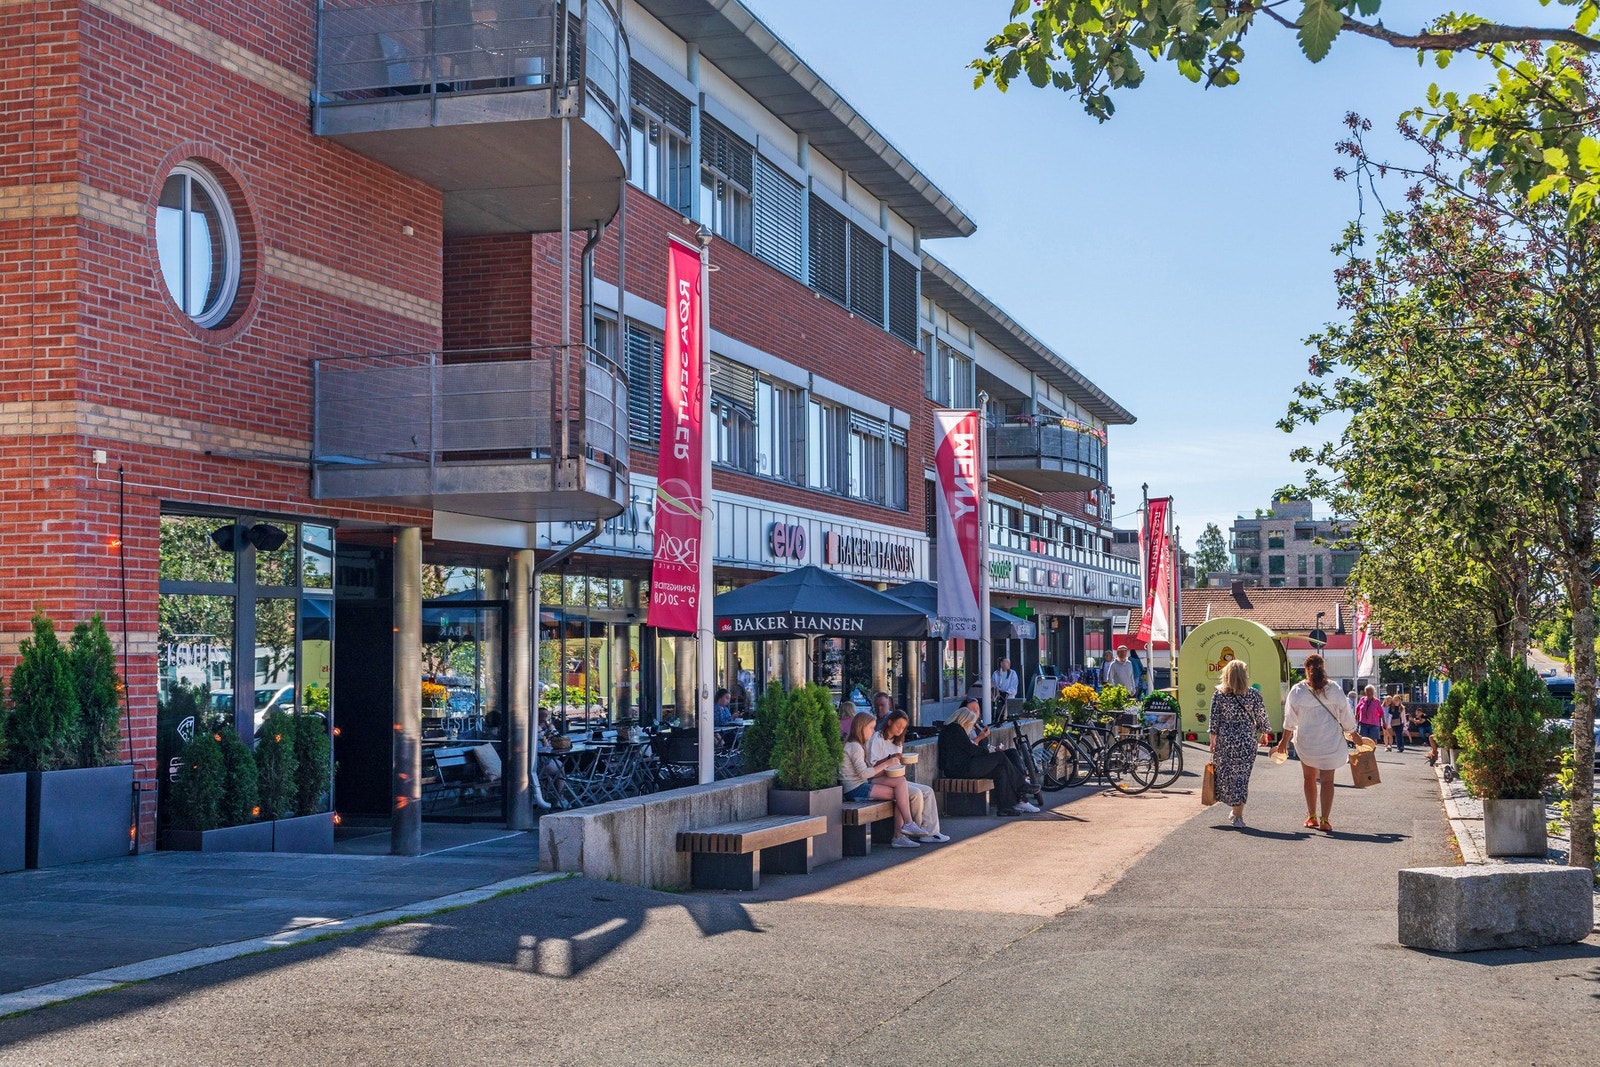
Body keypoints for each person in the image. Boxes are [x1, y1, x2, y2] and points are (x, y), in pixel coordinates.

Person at [1273, 653, 1357, 833]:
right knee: (1327, 781)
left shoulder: (1298, 690)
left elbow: (1290, 720)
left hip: (1307, 743)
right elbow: (1346, 714)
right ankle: (1325, 819)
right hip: (1330, 742)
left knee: (1309, 778)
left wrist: (1283, 742)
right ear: (1323, 668)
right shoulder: (1334, 689)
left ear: (1306, 669)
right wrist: (1355, 735)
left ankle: (1311, 817)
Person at [839, 711, 925, 847]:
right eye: (871, 728)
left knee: (900, 783)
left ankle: (906, 827)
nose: (873, 731)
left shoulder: (857, 744)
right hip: (855, 789)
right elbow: (864, 774)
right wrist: (887, 763)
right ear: (861, 727)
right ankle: (901, 833)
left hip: (861, 784)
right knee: (902, 795)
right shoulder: (855, 746)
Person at [1208, 660, 1272, 828]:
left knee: (1227, 776)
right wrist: (1264, 733)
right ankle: (1238, 815)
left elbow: (1214, 719)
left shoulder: (1219, 694)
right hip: (1246, 740)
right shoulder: (1253, 694)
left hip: (1225, 739)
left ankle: (1234, 809)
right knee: (1242, 778)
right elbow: (1262, 717)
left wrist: (1212, 740)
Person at [938, 706, 1036, 815]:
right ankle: (1022, 785)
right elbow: (971, 749)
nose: (971, 728)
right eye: (970, 724)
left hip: (963, 766)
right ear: (964, 720)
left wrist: (988, 750)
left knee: (1001, 769)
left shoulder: (952, 729)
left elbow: (968, 749)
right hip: (959, 769)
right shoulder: (955, 729)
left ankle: (1005, 807)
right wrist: (988, 752)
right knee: (1000, 756)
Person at [869, 711, 949, 842]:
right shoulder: (877, 738)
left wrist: (901, 761)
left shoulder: (897, 741)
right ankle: (916, 829)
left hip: (895, 778)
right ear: (890, 722)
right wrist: (890, 758)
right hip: (880, 779)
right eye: (898, 725)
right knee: (915, 793)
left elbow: (897, 765)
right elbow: (873, 768)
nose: (900, 729)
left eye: (903, 727)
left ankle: (931, 832)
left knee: (928, 791)